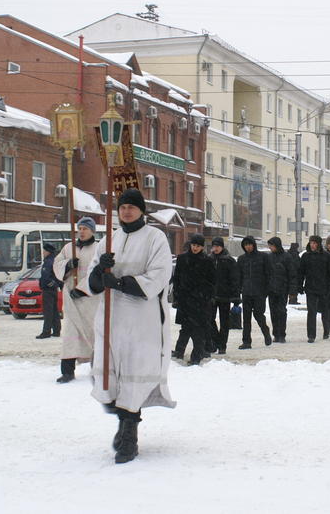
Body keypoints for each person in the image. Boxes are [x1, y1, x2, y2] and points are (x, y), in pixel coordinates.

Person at [85, 188, 175, 464]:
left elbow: (159, 275)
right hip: (111, 317)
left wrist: (121, 283)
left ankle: (129, 434)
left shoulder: (155, 238)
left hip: (141, 318)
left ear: (141, 211)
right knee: (109, 376)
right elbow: (91, 281)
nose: (126, 211)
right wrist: (100, 270)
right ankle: (123, 421)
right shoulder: (108, 239)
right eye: (122, 207)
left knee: (135, 374)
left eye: (131, 207)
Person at [52, 217, 99, 383]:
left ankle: (97, 369)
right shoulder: (68, 248)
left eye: (85, 228)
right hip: (71, 300)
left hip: (90, 300)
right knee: (70, 335)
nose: (82, 231)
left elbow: (98, 272)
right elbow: (56, 264)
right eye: (80, 228)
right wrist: (68, 264)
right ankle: (67, 371)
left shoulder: (98, 248)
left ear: (92, 231)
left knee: (94, 334)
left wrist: (82, 289)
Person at [172, 234, 215, 364]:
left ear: (202, 247)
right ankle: (179, 351)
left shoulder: (207, 261)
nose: (195, 248)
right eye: (193, 245)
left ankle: (196, 356)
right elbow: (177, 279)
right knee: (185, 327)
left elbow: (212, 281)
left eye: (198, 246)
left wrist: (206, 296)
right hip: (185, 299)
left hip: (200, 301)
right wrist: (177, 297)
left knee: (198, 329)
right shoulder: (182, 258)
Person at [236, 236, 272, 349]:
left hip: (259, 292)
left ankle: (266, 332)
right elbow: (239, 276)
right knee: (246, 318)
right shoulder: (241, 259)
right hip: (246, 292)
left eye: (249, 244)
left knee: (258, 315)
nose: (248, 247)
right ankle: (246, 341)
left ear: (254, 245)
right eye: (245, 245)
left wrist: (266, 290)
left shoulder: (263, 257)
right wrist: (238, 290)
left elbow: (269, 274)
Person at [299, 235, 330, 341]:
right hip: (310, 288)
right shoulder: (306, 256)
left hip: (324, 287)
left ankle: (326, 331)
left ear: (318, 244)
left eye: (314, 243)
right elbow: (301, 272)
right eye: (311, 243)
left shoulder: (326, 256)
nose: (312, 245)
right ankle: (311, 335)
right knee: (311, 312)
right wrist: (299, 286)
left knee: (325, 311)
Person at [209, 237, 240, 354]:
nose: (216, 248)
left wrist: (235, 296)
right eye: (214, 246)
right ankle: (217, 340)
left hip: (225, 296)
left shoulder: (229, 261)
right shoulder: (209, 259)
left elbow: (235, 279)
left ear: (222, 247)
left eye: (218, 246)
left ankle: (222, 346)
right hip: (212, 296)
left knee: (224, 322)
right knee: (209, 319)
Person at [267, 236, 298, 343]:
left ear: (277, 245)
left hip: (282, 289)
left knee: (281, 311)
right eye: (269, 246)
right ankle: (276, 334)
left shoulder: (287, 257)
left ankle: (282, 334)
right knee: (273, 312)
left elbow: (292, 275)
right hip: (271, 289)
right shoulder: (269, 257)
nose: (270, 247)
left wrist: (292, 291)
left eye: (272, 245)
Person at [36, 243, 62, 339]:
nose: (43, 253)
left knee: (48, 311)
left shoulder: (48, 262)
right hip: (53, 289)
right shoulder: (54, 260)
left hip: (48, 290)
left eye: (44, 251)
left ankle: (46, 332)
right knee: (54, 310)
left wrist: (49, 284)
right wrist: (55, 284)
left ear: (48, 252)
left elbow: (46, 276)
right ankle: (56, 330)